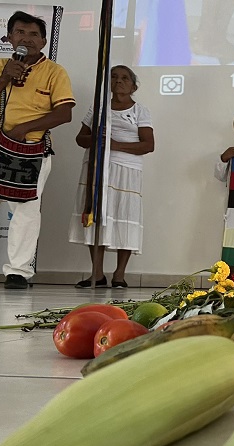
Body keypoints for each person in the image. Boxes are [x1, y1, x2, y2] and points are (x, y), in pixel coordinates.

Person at [0, 11, 74, 289]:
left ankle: (18, 272)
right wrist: (4, 77)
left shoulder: (55, 72)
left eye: (33, 34)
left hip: (29, 151)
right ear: (9, 38)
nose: (26, 38)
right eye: (20, 32)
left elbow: (64, 113)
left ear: (43, 41)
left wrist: (23, 129)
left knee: (26, 213)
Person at [69, 65, 154, 289]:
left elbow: (148, 145)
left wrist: (114, 145)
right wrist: (97, 139)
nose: (119, 80)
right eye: (114, 76)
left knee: (125, 217)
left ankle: (119, 275)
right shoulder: (98, 107)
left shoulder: (140, 111)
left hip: (127, 172)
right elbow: (80, 139)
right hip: (97, 168)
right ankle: (97, 274)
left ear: (133, 86)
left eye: (125, 77)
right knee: (96, 217)